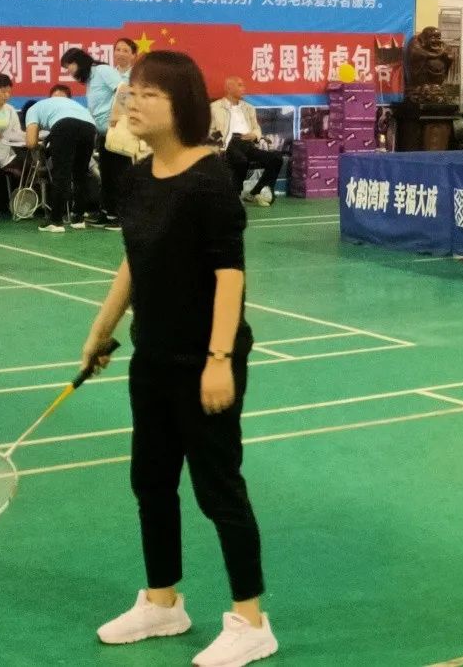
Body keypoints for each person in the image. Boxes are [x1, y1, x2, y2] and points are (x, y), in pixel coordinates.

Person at [83, 50, 278, 666]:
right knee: (151, 481)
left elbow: (229, 274)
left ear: (182, 106)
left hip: (205, 358)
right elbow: (134, 260)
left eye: (149, 94)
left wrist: (219, 358)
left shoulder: (210, 178)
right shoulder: (137, 178)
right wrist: (101, 330)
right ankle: (163, 602)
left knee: (218, 488)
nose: (132, 102)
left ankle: (252, 621)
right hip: (153, 354)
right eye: (131, 92)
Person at [60, 47, 126, 229]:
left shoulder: (102, 70)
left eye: (69, 66)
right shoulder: (90, 79)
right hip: (104, 135)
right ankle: (108, 213)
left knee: (116, 174)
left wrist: (116, 116)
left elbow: (124, 91)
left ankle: (118, 217)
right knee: (106, 175)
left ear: (78, 62)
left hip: (116, 132)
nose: (69, 71)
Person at [23, 95, 98, 232]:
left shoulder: (31, 110)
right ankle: (78, 218)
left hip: (65, 126)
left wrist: (41, 145)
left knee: (61, 174)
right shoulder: (53, 105)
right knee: (81, 173)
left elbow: (31, 142)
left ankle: (55, 220)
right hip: (90, 126)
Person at [210, 77, 282, 207]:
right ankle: (237, 194)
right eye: (239, 85)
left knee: (276, 158)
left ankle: (255, 192)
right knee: (241, 160)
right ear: (229, 88)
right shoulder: (215, 107)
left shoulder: (248, 108)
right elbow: (209, 131)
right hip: (228, 144)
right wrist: (219, 143)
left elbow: (256, 128)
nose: (243, 88)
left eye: (243, 85)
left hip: (248, 143)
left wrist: (254, 135)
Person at [0, 73, 24, 213]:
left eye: (9, 92)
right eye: (3, 92)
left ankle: (6, 205)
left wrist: (31, 136)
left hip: (3, 154)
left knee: (21, 170)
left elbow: (17, 133)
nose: (7, 95)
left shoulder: (10, 110)